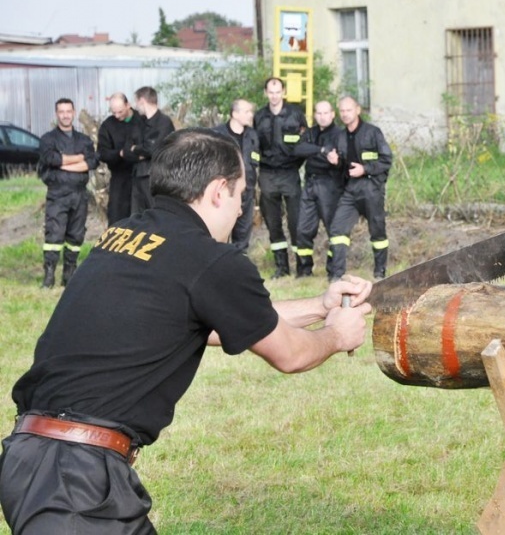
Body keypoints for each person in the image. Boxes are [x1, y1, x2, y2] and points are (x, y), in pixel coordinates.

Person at [0, 128, 373, 534]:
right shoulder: (210, 260)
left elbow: (209, 324)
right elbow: (291, 354)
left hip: (35, 460)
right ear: (218, 191)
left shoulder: (123, 235)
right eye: (241, 195)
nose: (241, 210)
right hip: (76, 480)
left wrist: (321, 306)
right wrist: (337, 335)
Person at [328, 96, 393, 281]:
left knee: (377, 230)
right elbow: (342, 166)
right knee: (338, 229)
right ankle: (337, 275)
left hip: (371, 188)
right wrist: (336, 161)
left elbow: (386, 160)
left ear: (357, 110)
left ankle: (380, 272)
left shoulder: (373, 132)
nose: (345, 114)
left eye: (349, 110)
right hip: (350, 190)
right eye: (342, 111)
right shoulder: (340, 136)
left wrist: (365, 169)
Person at [36, 98, 98, 288]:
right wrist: (78, 160)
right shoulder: (48, 139)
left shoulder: (84, 140)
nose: (65, 115)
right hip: (57, 194)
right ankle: (49, 275)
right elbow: (50, 159)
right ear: (57, 114)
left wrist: (64, 164)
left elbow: (92, 161)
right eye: (61, 111)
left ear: (73, 113)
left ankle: (69, 274)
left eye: (68, 111)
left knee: (75, 236)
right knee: (54, 235)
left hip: (79, 194)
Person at [254, 77, 307, 278]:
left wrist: (295, 166)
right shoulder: (259, 117)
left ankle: (302, 267)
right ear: (266, 93)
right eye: (271, 92)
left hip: (289, 174)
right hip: (267, 174)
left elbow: (304, 143)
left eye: (278, 91)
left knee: (296, 222)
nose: (274, 96)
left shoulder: (295, 114)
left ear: (283, 92)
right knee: (273, 222)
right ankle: (281, 268)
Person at [293, 100, 346, 278]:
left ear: (332, 114)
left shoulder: (340, 134)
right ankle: (305, 270)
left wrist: (315, 153)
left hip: (329, 185)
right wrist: (322, 150)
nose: (322, 117)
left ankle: (333, 271)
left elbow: (340, 161)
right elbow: (298, 149)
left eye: (326, 113)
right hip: (309, 184)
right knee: (303, 229)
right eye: (319, 113)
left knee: (334, 230)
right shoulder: (310, 132)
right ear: (315, 115)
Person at [214, 99, 260, 252]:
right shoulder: (217, 135)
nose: (250, 115)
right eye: (247, 111)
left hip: (246, 191)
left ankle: (240, 266)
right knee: (222, 232)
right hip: (224, 192)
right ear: (235, 114)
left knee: (243, 233)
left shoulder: (253, 135)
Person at [125, 86, 175, 213]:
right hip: (137, 176)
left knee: (155, 213)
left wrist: (136, 148)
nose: (136, 106)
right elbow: (127, 149)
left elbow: (153, 150)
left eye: (136, 102)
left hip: (155, 177)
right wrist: (140, 151)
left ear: (142, 100)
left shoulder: (164, 122)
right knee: (137, 216)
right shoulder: (138, 122)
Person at [97, 92, 140, 224]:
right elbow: (102, 153)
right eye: (113, 112)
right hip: (119, 176)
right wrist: (119, 154)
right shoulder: (108, 126)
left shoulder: (142, 120)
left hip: (142, 175)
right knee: (117, 216)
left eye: (120, 112)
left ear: (128, 105)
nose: (117, 116)